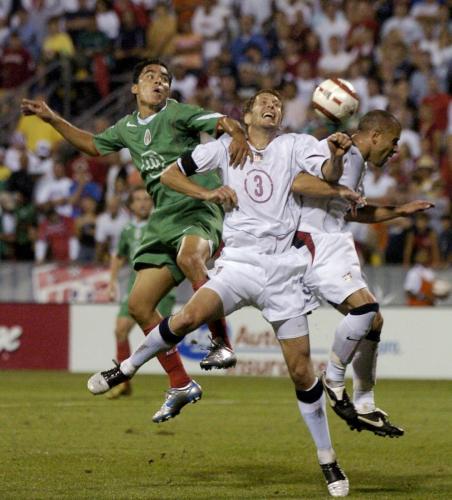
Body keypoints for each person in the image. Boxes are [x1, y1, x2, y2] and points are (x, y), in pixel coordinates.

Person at [87, 89, 362, 497]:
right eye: (264, 103)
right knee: (186, 317)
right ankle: (124, 369)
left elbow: (329, 174)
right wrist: (208, 192)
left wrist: (337, 155)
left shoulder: (295, 144)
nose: (273, 107)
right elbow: (169, 175)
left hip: (283, 270)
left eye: (278, 104)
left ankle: (328, 460)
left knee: (302, 371)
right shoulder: (221, 149)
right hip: (239, 265)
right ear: (246, 114)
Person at [21, 58, 251, 421]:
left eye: (164, 79)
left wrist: (237, 133)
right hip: (163, 217)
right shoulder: (127, 127)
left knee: (190, 258)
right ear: (134, 88)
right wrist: (52, 119)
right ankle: (180, 382)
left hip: (198, 205)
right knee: (140, 305)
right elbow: (93, 145)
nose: (158, 82)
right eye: (150, 77)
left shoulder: (178, 113)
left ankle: (221, 342)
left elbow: (223, 121)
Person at [293, 110, 433, 437]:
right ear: (374, 136)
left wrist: (398, 210)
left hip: (334, 240)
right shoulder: (345, 154)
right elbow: (298, 181)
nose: (395, 149)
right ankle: (334, 377)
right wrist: (336, 182)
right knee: (366, 310)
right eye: (393, 141)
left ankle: (365, 402)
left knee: (374, 320)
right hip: (316, 241)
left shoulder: (358, 164)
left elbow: (353, 211)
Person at [108, 186, 200, 421]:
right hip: (133, 285)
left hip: (159, 288)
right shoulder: (127, 230)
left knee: (161, 336)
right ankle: (124, 381)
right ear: (130, 205)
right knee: (120, 330)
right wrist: (111, 281)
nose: (142, 204)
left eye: (145, 199)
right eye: (137, 199)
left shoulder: (161, 224)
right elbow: (119, 257)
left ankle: (177, 379)